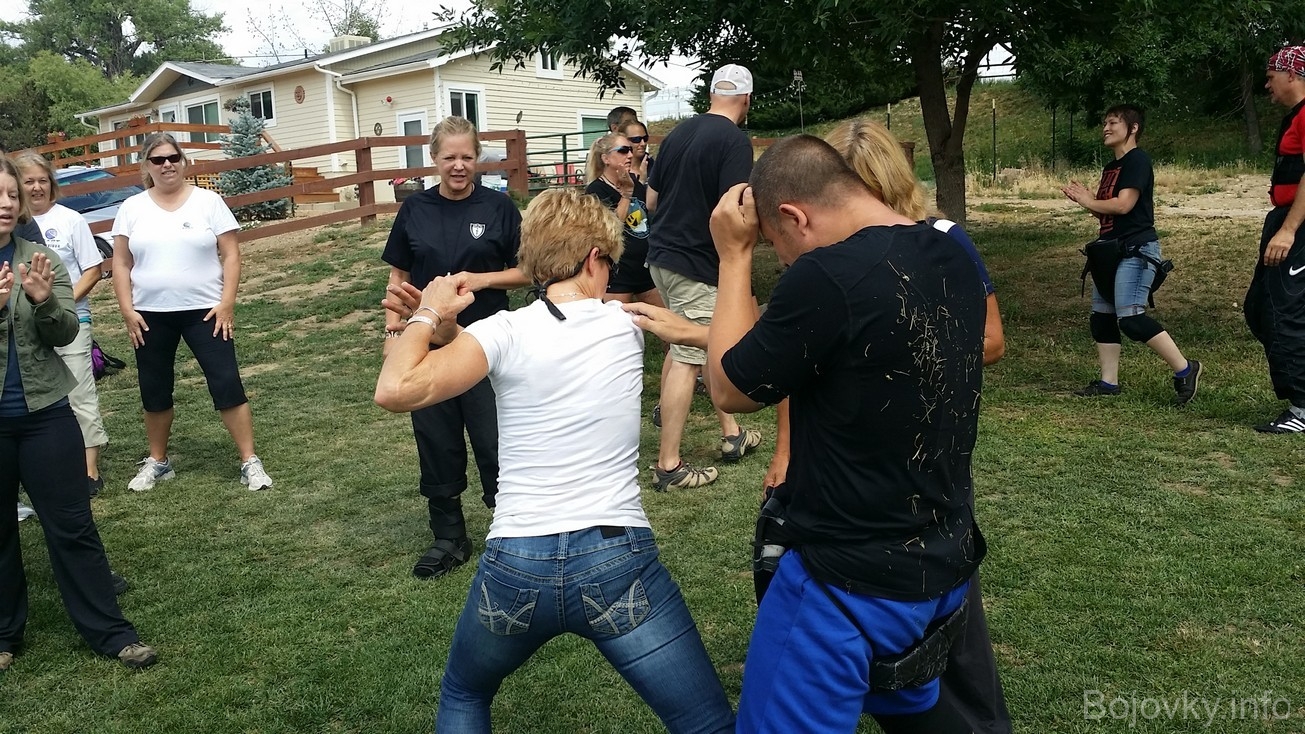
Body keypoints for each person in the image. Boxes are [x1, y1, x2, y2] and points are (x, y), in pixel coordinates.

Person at [374, 188, 735, 734]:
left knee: (465, 693)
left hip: (517, 559)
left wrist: (428, 315)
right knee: (706, 724)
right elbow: (748, 349)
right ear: (594, 258)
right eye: (609, 264)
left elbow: (400, 384)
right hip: (616, 555)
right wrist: (692, 331)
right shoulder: (627, 320)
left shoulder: (503, 331)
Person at [706, 136, 990, 732]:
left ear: (794, 216)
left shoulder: (826, 277)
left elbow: (730, 389)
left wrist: (734, 256)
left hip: (845, 580)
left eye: (776, 244)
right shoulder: (952, 252)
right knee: (919, 716)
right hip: (939, 561)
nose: (785, 261)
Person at [0, 156, 156, 672]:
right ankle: (4, 635)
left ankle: (111, 633)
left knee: (72, 526)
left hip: (44, 414)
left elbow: (66, 331)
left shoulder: (39, 257)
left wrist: (45, 302)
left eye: (12, 195)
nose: (7, 204)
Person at [381, 116, 527, 579]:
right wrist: (392, 332)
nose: (459, 166)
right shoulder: (415, 209)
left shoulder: (499, 207)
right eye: (449, 157)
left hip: (487, 346)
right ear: (434, 159)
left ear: (477, 157)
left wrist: (481, 279)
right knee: (436, 440)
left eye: (467, 156)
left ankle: (510, 533)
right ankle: (448, 538)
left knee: (495, 440)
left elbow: (528, 270)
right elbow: (398, 276)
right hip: (427, 345)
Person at [110, 132, 274, 492]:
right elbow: (120, 263)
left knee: (226, 382)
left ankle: (249, 461)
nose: (166, 165)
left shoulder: (208, 202)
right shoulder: (132, 208)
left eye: (173, 158)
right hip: (149, 314)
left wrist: (227, 302)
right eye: (158, 160)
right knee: (154, 388)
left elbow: (231, 254)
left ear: (183, 161)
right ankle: (158, 461)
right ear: (146, 166)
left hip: (206, 312)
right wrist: (127, 310)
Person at [645, 63, 762, 491]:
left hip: (662, 255)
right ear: (746, 99)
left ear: (712, 94)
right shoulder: (734, 140)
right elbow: (734, 208)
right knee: (687, 354)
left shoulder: (678, 133)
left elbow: (652, 200)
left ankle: (732, 434)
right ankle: (669, 466)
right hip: (696, 260)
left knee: (695, 342)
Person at [1061, 104, 1201, 404]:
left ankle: (1186, 369)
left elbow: (1124, 205)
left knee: (1131, 319)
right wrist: (1088, 200)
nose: (1106, 128)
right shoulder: (1111, 167)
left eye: (1113, 122)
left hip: (1136, 249)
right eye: (1104, 123)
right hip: (1109, 251)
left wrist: (1089, 200)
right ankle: (1108, 383)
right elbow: (1109, 212)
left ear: (1133, 128)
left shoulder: (1137, 160)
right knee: (1102, 318)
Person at [14, 152, 109, 497]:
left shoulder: (70, 220)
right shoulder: (11, 227)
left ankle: (89, 468)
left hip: (71, 319)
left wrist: (62, 302)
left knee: (79, 392)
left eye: (43, 180)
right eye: (29, 181)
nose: (37, 187)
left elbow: (93, 269)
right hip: (26, 327)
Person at [1246, 46, 1305, 433]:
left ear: (1292, 75)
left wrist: (1289, 229)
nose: (1267, 84)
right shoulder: (1295, 116)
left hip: (1297, 225)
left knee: (1286, 311)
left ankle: (1302, 409)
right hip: (1283, 219)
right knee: (1260, 308)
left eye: (1271, 77)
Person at [584, 134, 663, 307]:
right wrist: (626, 195)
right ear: (605, 158)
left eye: (630, 150)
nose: (630, 155)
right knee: (617, 320)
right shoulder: (596, 190)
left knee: (665, 318)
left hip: (645, 266)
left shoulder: (634, 183)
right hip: (619, 271)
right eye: (623, 150)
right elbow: (610, 229)